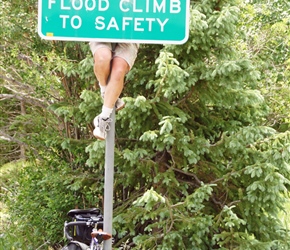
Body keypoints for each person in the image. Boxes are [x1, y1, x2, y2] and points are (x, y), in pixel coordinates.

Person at [89, 42, 139, 140]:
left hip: (128, 34)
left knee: (119, 71)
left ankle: (103, 118)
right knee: (102, 58)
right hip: (102, 31)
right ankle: (105, 93)